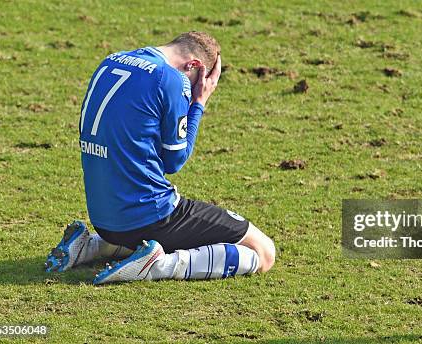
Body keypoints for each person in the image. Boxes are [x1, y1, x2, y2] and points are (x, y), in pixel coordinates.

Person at [45, 32, 275, 284]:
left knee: (144, 230)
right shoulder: (170, 79)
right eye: (199, 81)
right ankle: (159, 265)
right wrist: (198, 103)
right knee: (263, 251)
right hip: (149, 216)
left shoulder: (111, 60)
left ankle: (89, 247)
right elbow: (174, 162)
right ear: (194, 66)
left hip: (104, 219)